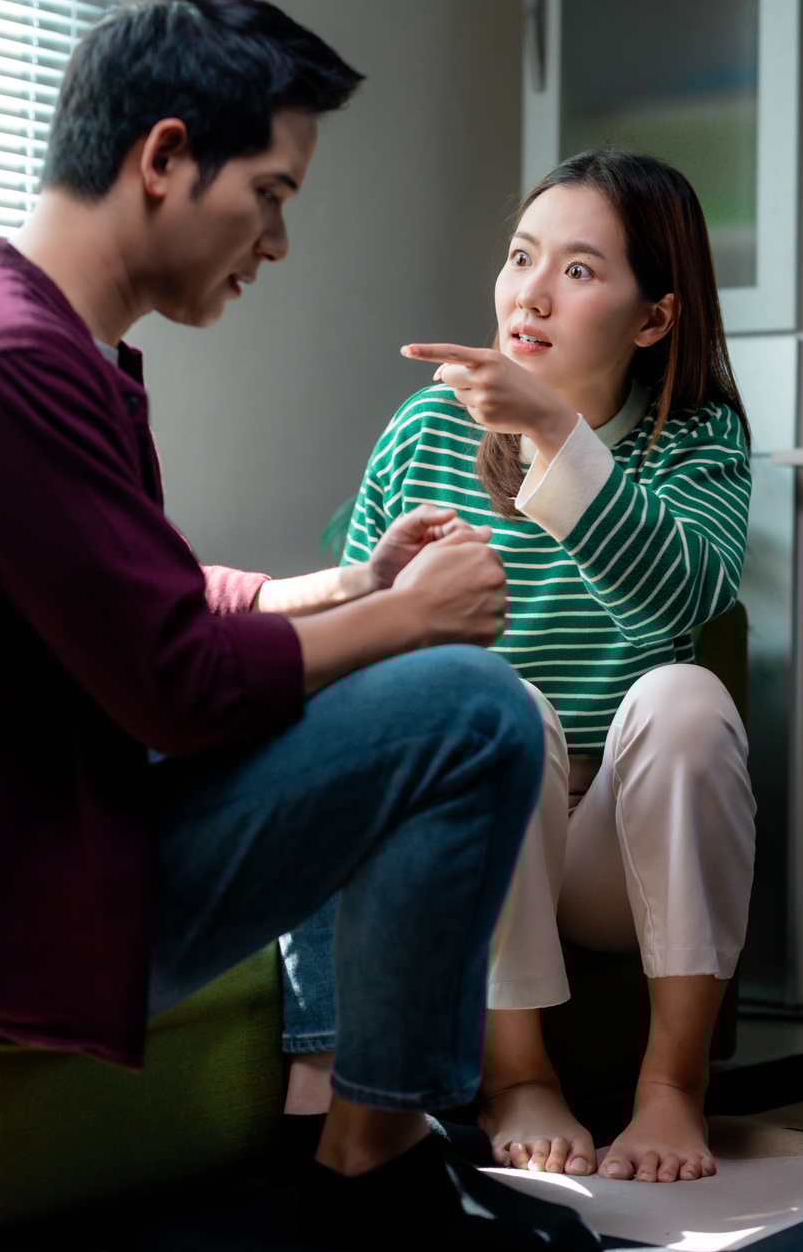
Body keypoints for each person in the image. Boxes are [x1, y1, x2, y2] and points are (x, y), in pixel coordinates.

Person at [0, 0, 598, 1251]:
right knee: (472, 712)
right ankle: (373, 1169)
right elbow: (173, 682)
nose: (277, 241)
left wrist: (347, 588)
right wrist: (411, 621)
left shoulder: (32, 343)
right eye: (268, 195)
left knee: (382, 685)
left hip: (24, 834)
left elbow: (138, 599)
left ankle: (360, 1140)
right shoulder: (3, 363)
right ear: (164, 157)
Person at [282, 151, 757, 1185]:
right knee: (499, 703)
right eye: (520, 257)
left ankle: (672, 1087)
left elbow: (683, 598)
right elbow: (356, 652)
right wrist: (388, 590)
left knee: (686, 696)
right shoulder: (425, 429)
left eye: (578, 270)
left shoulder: (696, 437)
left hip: (618, 843)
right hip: (491, 824)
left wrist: (550, 426)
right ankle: (518, 1076)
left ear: (653, 319)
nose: (529, 294)